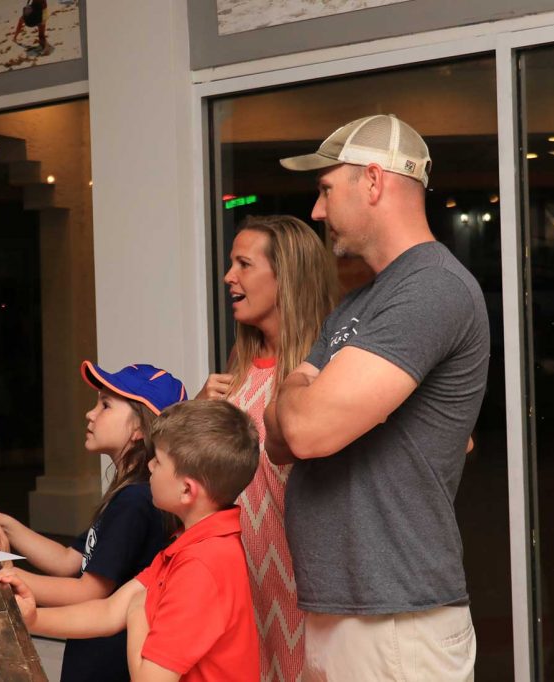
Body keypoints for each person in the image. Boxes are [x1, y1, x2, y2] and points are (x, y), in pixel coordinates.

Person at [264, 114, 490, 681]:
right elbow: (279, 440)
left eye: (325, 190)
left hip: (395, 621)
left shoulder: (431, 287)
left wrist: (299, 387)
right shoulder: (362, 302)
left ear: (372, 180)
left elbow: (306, 430)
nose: (316, 211)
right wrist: (298, 392)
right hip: (345, 610)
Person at [0, 361, 187, 682]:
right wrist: (7, 523)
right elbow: (69, 560)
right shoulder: (128, 493)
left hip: (107, 662)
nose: (91, 413)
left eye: (105, 405)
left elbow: (88, 592)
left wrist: (7, 573)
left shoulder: (135, 501)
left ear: (140, 429)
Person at [0, 399, 262, 682]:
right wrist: (32, 618)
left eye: (158, 461)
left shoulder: (202, 567)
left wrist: (137, 615)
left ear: (186, 490)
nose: (149, 465)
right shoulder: (189, 542)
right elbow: (109, 611)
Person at [196, 214, 337, 682]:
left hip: (301, 582)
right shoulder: (241, 362)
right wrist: (201, 414)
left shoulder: (327, 369)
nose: (228, 277)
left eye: (243, 264)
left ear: (287, 278)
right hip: (241, 577)